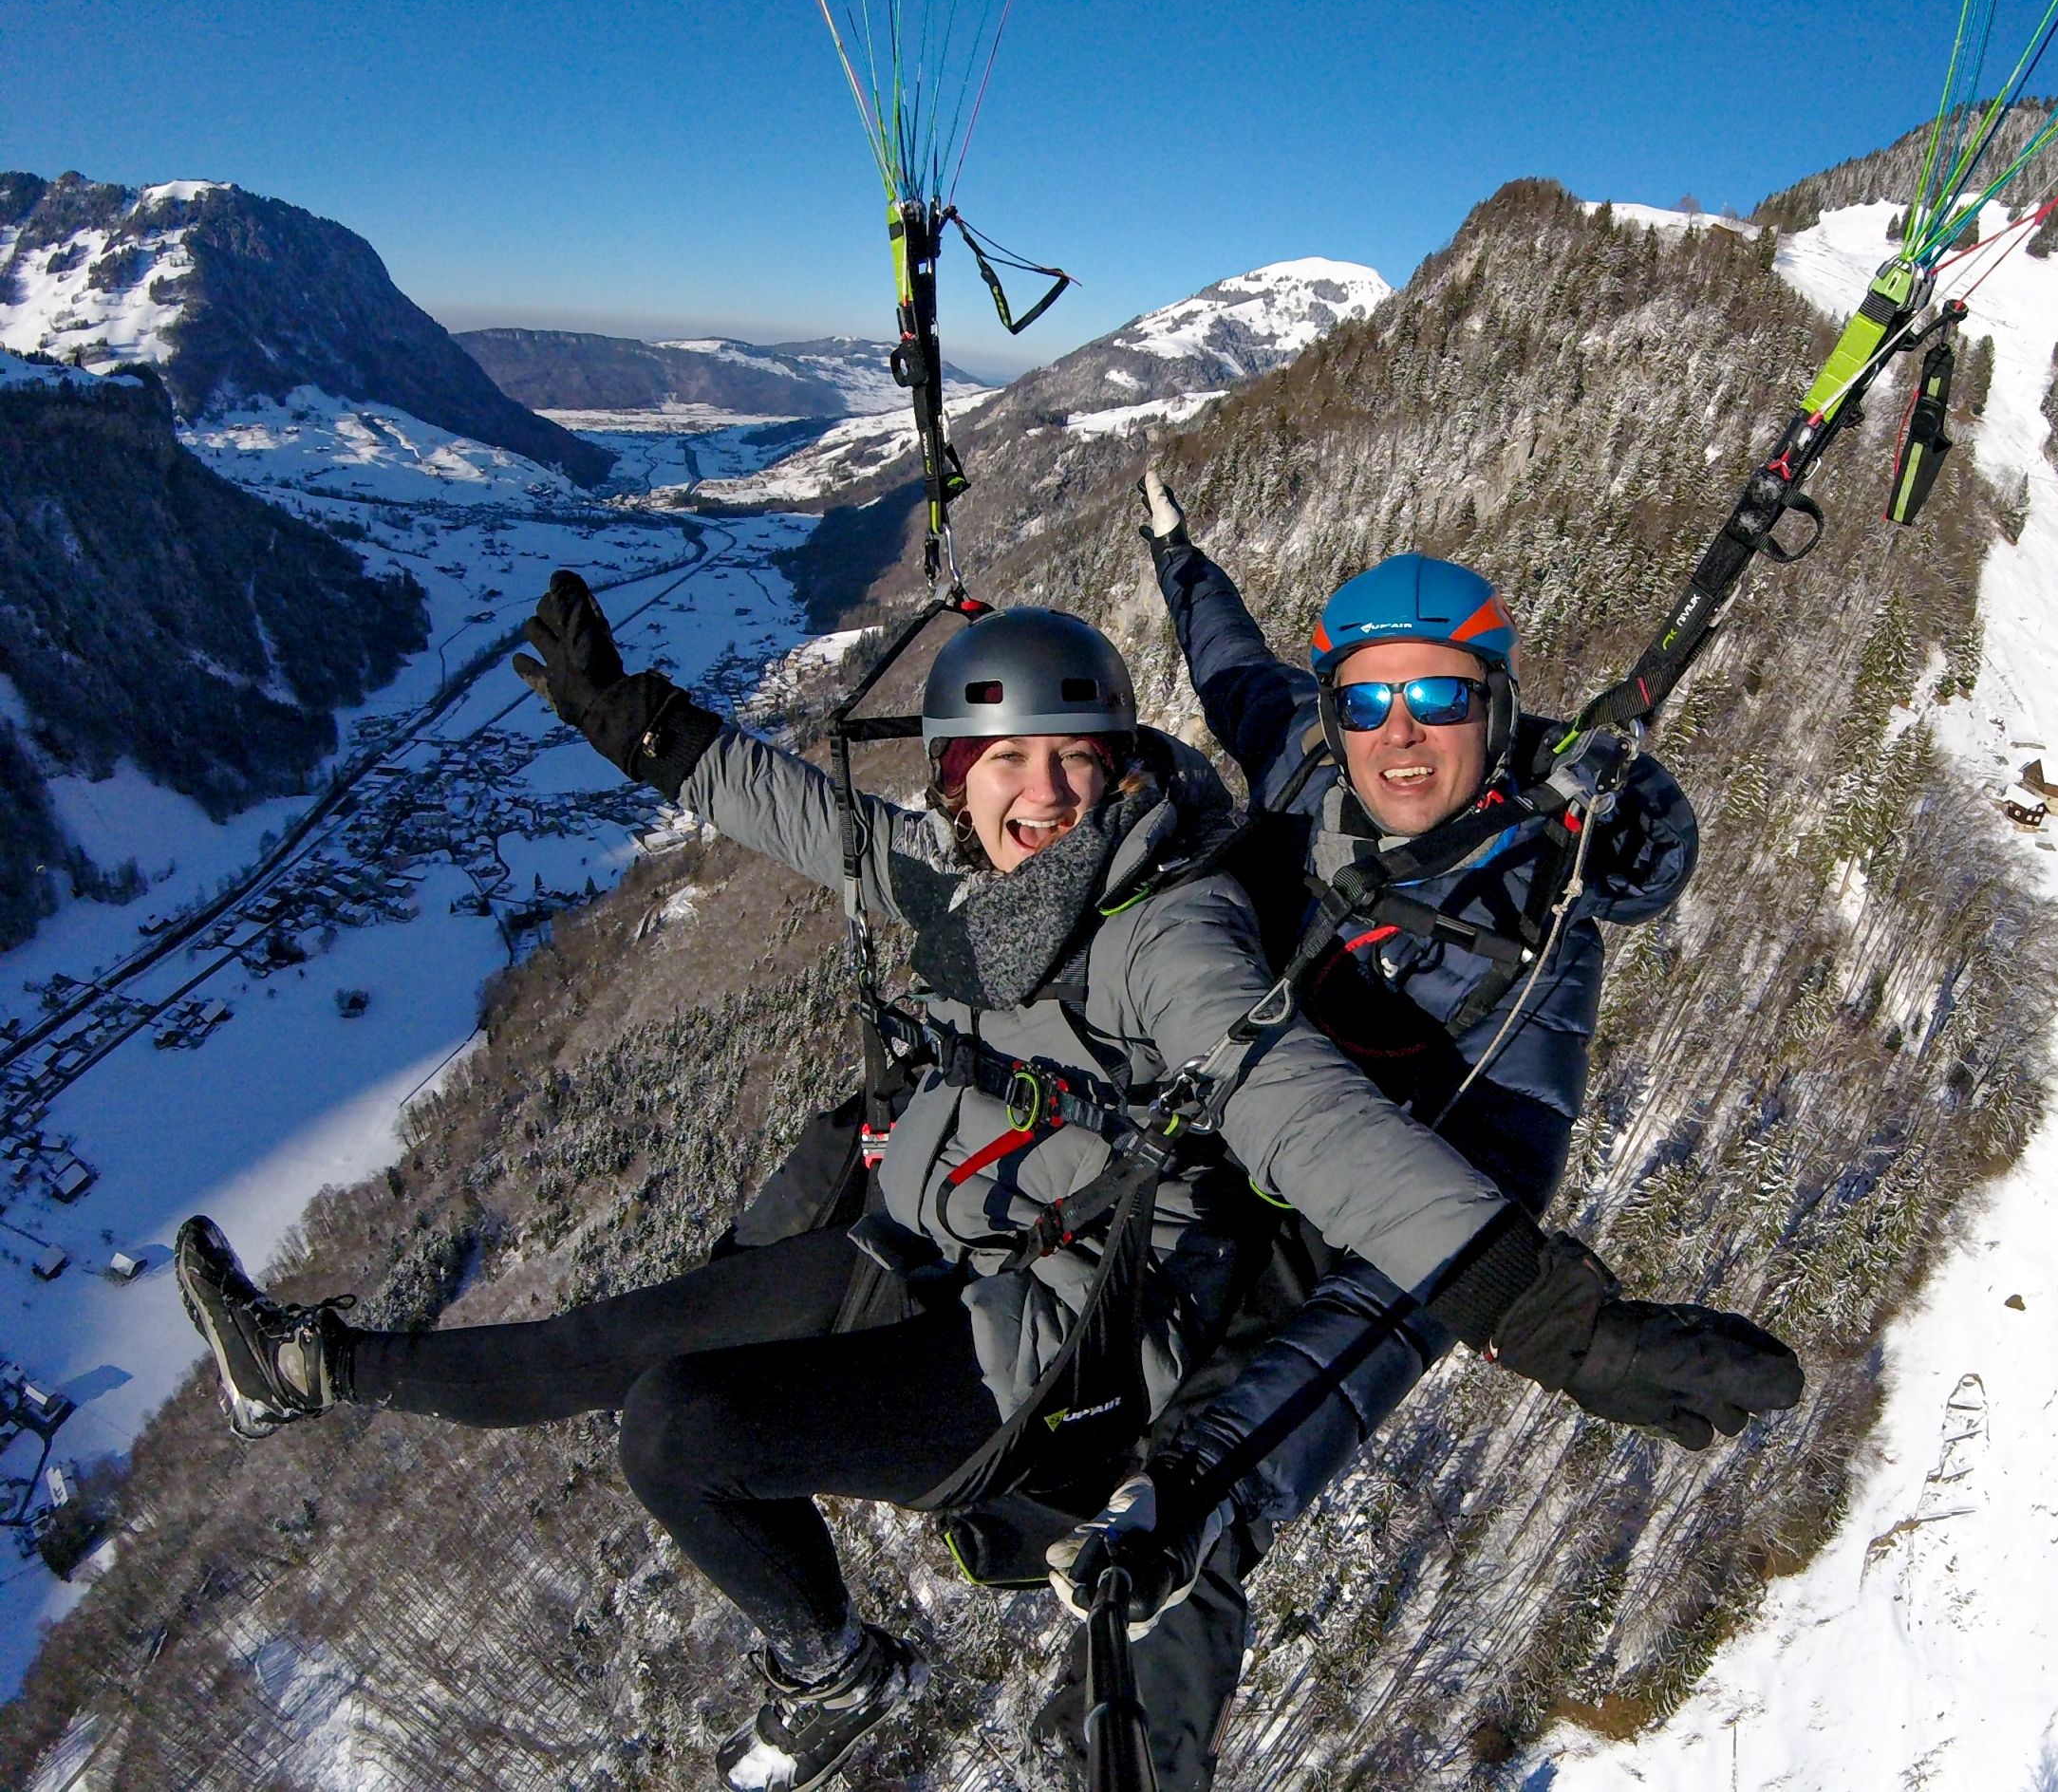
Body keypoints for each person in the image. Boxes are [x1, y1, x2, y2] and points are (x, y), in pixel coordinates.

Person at [173, 573, 1800, 1792]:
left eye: (1071, 760)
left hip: (1053, 1352)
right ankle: (310, 1369)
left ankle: (832, 1672)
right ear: (955, 779)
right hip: (946, 1236)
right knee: (624, 1338)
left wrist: (1553, 1319)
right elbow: (809, 818)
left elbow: (1311, 1120)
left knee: (678, 1425)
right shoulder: (961, 873)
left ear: (1117, 765)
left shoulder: (1169, 931)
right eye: (1000, 762)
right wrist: (647, 729)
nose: (1038, 793)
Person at [1035, 475, 1735, 1786]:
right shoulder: (1303, 762)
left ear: (1498, 708)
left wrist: (1211, 1489)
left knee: (1169, 1503)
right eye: (1367, 700)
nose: (1398, 737)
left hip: (1338, 1215)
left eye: (1439, 699)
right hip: (1189, 1155)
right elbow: (1230, 657)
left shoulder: (1537, 924)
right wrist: (1176, 550)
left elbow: (1447, 1235)